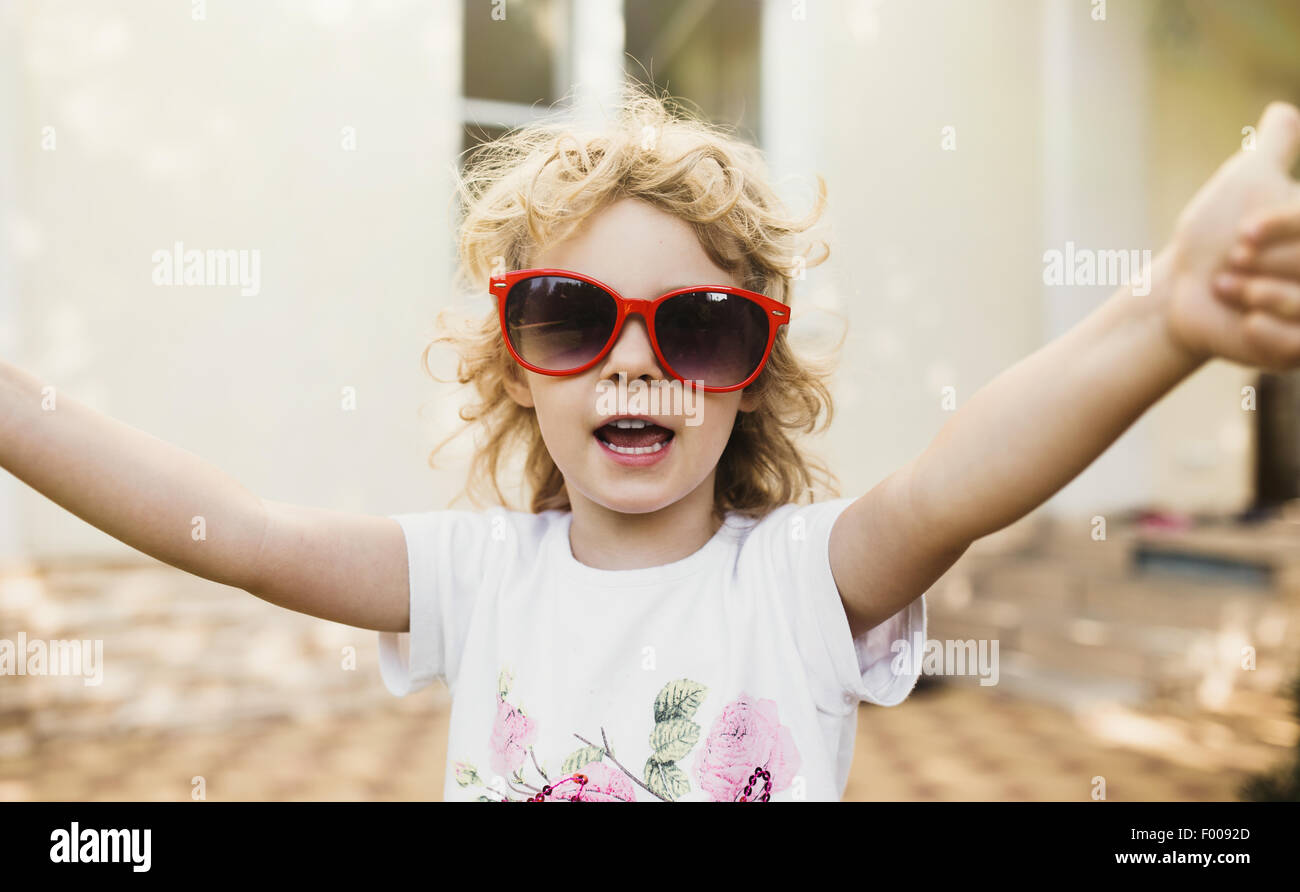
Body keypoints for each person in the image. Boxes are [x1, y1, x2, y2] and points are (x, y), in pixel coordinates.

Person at [5, 85, 1300, 802]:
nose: (635, 361)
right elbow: (235, 534)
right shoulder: (477, 579)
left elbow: (956, 483)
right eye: (571, 318)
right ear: (517, 365)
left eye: (699, 328)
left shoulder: (795, 585)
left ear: (751, 380)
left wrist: (1159, 318)